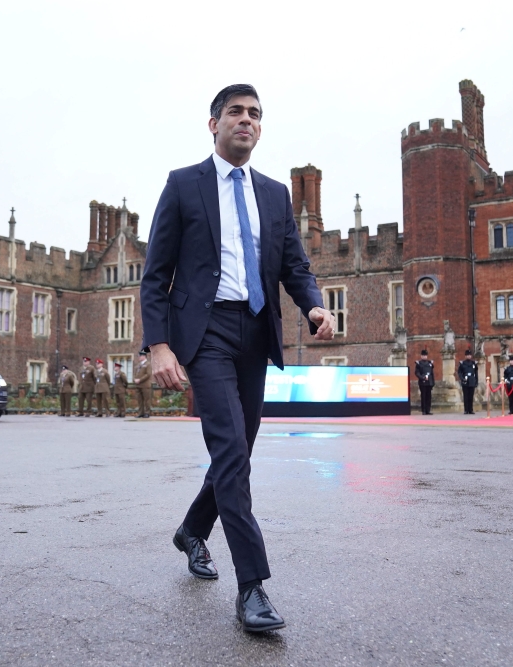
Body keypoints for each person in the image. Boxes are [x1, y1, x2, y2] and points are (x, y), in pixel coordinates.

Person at [140, 83, 334, 633]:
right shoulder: (183, 186)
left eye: (254, 114)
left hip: (256, 333)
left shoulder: (273, 194)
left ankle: (191, 530)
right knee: (229, 450)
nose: (245, 121)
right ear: (214, 123)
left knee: (237, 453)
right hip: (205, 333)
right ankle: (253, 588)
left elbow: (293, 266)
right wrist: (158, 345)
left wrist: (316, 308)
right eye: (235, 113)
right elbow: (156, 275)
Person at [456, 349, 478, 415]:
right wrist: (462, 379)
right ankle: (466, 410)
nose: (468, 356)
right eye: (467, 355)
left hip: (471, 380)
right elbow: (459, 372)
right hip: (465, 381)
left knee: (471, 396)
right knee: (466, 396)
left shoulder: (473, 363)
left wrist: (476, 381)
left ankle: (470, 410)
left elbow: (476, 373)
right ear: (465, 356)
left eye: (469, 355)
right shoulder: (462, 363)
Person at [414, 350, 435, 415]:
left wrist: (433, 382)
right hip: (422, 382)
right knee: (423, 396)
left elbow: (432, 373)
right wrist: (422, 377)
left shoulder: (429, 363)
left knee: (429, 397)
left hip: (429, 382)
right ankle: (423, 410)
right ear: (421, 356)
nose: (424, 357)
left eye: (425, 355)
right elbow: (417, 373)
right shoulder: (419, 363)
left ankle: (428, 410)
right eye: (423, 355)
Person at [133, 351, 153, 418]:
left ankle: (147, 413)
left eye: (140, 356)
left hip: (145, 385)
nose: (139, 357)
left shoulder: (148, 364)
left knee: (147, 400)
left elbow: (148, 374)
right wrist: (134, 379)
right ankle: (140, 413)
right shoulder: (138, 365)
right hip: (138, 385)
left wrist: (140, 380)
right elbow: (135, 374)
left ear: (144, 356)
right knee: (140, 400)